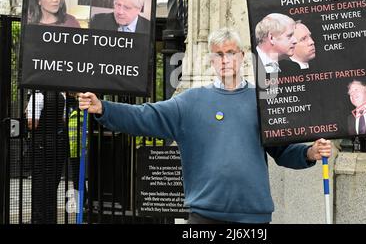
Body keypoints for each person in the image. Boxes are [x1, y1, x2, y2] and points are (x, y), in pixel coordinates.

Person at [78, 28, 332, 224]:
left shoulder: (262, 102)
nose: (225, 59)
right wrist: (104, 108)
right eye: (218, 54)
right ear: (212, 60)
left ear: (242, 57)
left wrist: (310, 152)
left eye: (231, 52)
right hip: (204, 216)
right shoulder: (190, 102)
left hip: (254, 215)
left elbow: (284, 150)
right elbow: (146, 116)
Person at [26, 91, 67, 224]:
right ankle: (50, 218)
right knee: (52, 182)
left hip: (40, 143)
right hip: (57, 142)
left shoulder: (37, 96)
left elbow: (33, 124)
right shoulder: (61, 96)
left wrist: (27, 114)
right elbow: (62, 119)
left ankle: (38, 219)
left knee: (39, 181)